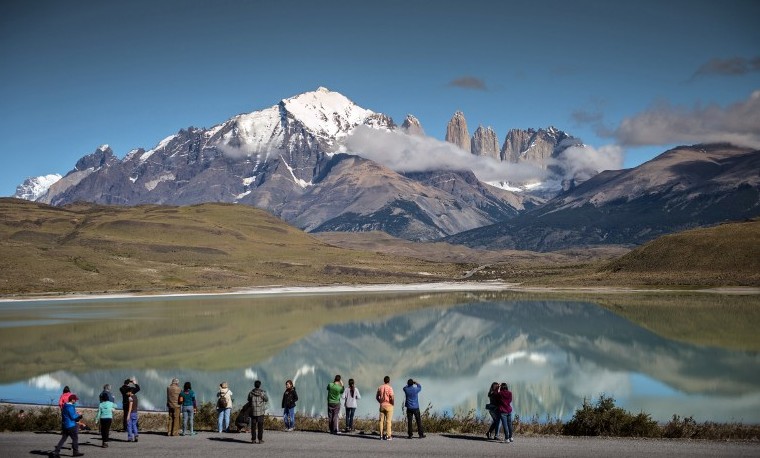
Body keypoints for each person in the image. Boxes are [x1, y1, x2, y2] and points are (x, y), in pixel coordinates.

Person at [376, 375, 395, 440]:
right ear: (389, 381)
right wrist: (392, 403)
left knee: (381, 421)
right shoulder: (390, 388)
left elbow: (377, 397)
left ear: (384, 380)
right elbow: (392, 397)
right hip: (389, 405)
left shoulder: (380, 387)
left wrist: (380, 402)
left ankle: (381, 435)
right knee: (388, 421)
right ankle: (388, 435)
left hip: (382, 406)